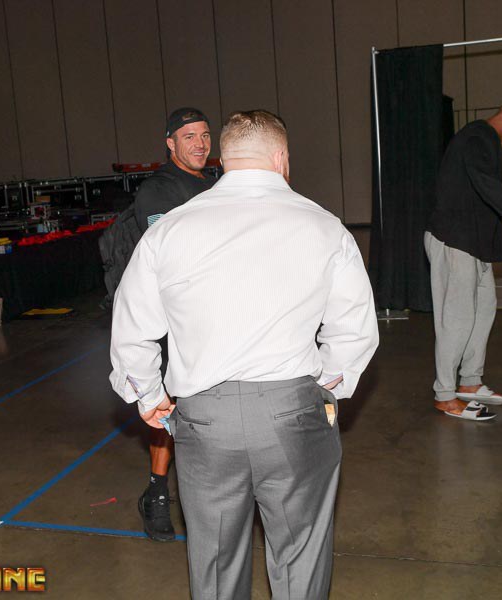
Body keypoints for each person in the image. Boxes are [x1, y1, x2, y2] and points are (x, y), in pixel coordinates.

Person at [109, 110, 379, 598]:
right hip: (293, 412)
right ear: (282, 158)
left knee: (214, 565)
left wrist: (147, 394)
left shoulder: (170, 229)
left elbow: (131, 328)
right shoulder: (324, 226)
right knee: (300, 559)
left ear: (224, 158)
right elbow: (354, 329)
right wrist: (324, 389)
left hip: (205, 421)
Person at [132, 107, 217, 542]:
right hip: (172, 317)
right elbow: (168, 260)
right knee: (168, 408)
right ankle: (157, 492)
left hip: (216, 314)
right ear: (170, 143)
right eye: (189, 137)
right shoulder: (158, 190)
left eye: (204, 135)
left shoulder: (217, 182)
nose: (200, 144)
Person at [425, 100, 502, 421]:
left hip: (473, 244)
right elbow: (479, 176)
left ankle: (470, 381)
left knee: (484, 308)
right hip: (454, 240)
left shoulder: (482, 141)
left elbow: (477, 190)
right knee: (457, 318)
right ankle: (445, 395)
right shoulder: (477, 136)